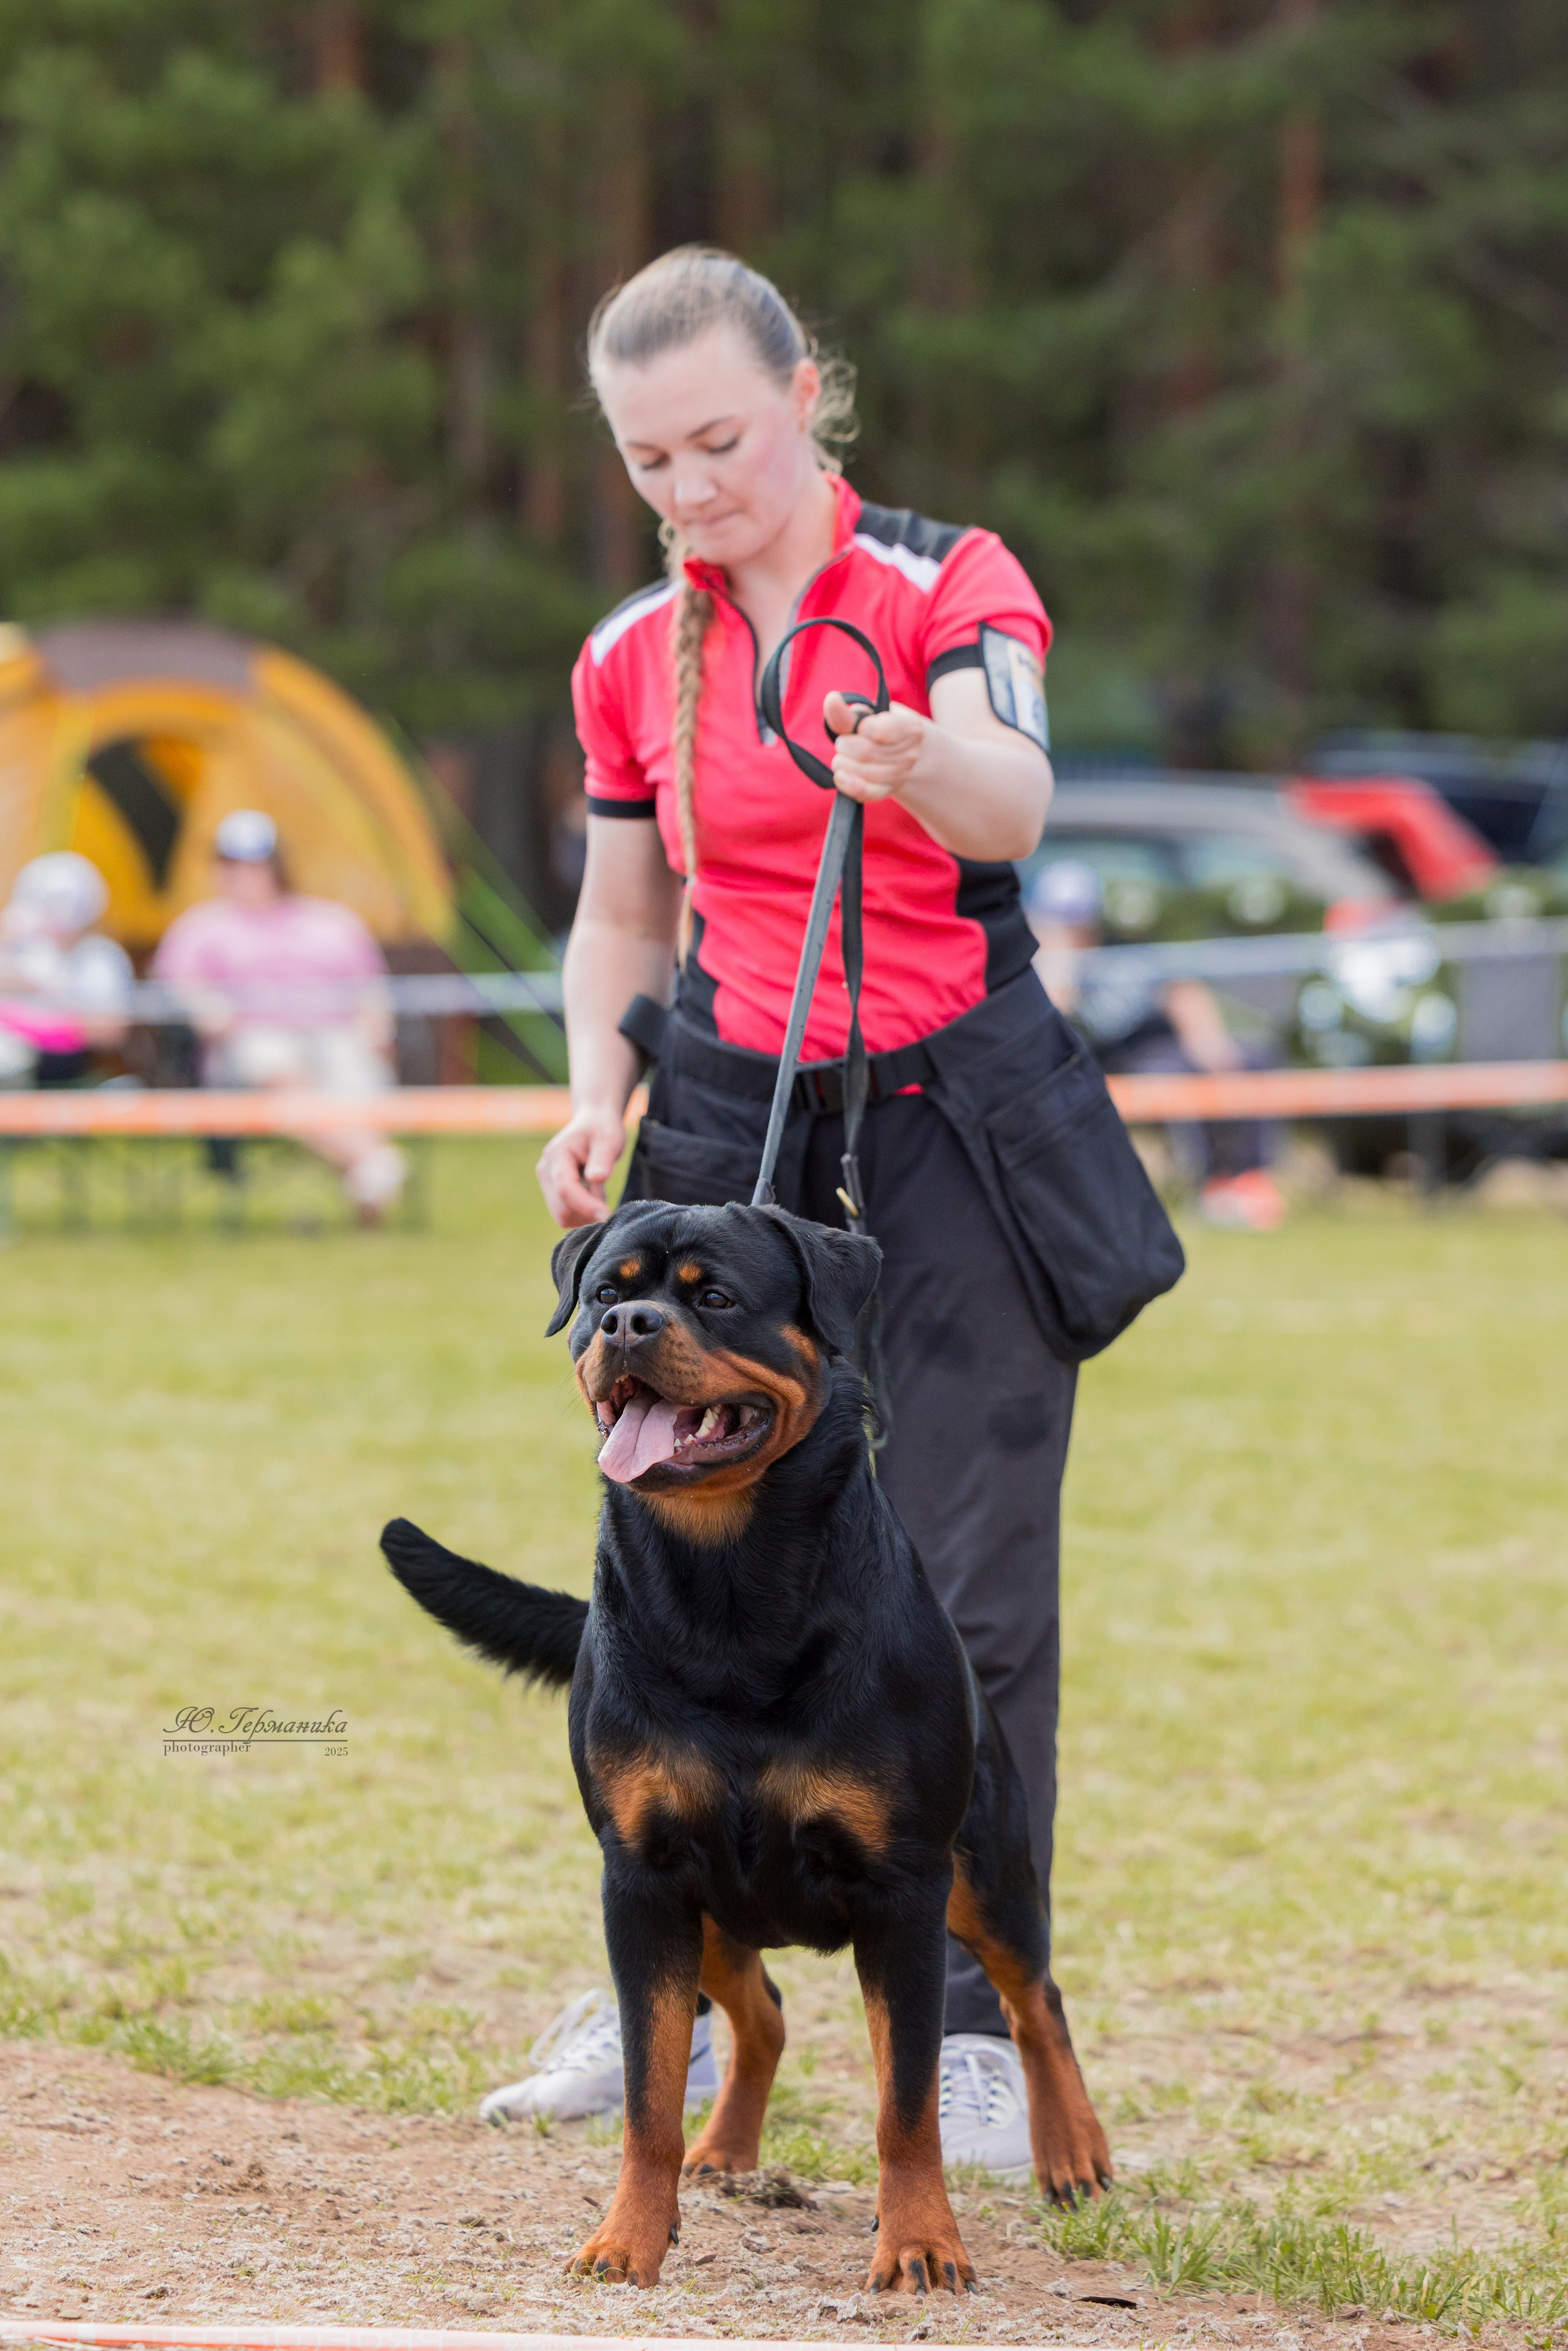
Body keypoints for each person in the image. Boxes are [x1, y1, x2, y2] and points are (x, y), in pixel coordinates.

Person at [489, 247, 1181, 2174]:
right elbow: (624, 904)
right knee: (669, 1557)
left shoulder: (951, 582)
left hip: (955, 1107)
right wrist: (593, 1091)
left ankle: (958, 2020)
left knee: (959, 1587)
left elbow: (1016, 800)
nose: (689, 485)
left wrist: (921, 758)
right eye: (649, 459)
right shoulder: (634, 645)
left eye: (719, 438)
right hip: (725, 1104)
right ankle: (681, 1980)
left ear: (806, 397)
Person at [153, 810, 407, 1221]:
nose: (241, 874)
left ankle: (369, 1189)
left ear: (277, 866)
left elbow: (370, 992)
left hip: (333, 1034)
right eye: (229, 863)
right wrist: (207, 1008)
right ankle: (373, 1161)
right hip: (249, 1042)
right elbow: (179, 990)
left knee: (355, 1066)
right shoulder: (200, 928)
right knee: (271, 1059)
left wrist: (376, 1026)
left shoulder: (332, 922)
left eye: (253, 864)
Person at [1028, 859, 1287, 1231]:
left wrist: (1209, 1041)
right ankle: (1207, 1184)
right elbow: (1057, 1014)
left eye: (1080, 918)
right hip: (1111, 1061)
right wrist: (1061, 958)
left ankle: (1248, 1179)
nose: (1075, 928)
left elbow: (1180, 989)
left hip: (1161, 1042)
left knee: (1250, 1058)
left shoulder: (1121, 948)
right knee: (1171, 1074)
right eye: (1062, 919)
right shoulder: (1038, 966)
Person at [0, 852, 131, 1085]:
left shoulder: (99, 956)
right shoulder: (21, 949)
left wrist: (43, 1026)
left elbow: (109, 1032)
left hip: (67, 1073)